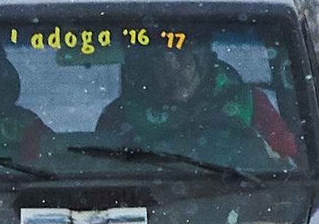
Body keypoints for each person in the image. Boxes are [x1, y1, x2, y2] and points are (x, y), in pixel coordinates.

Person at [94, 38, 302, 166]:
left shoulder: (248, 104)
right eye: (160, 57)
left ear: (204, 57)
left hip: (237, 207)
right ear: (149, 64)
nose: (172, 65)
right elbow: (99, 175)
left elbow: (291, 171)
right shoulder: (122, 114)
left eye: (182, 52)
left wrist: (254, 153)